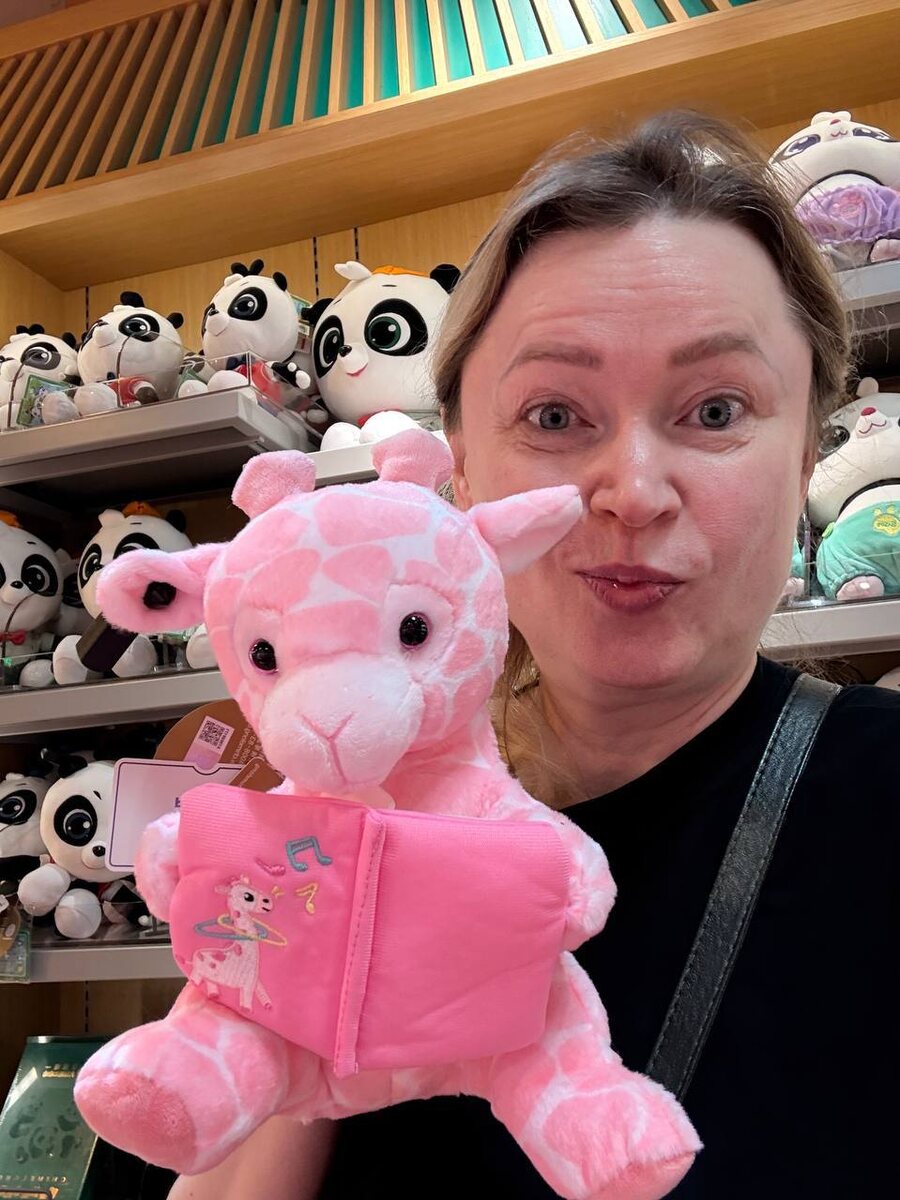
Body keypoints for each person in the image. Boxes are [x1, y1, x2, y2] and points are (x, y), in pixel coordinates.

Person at [170, 111, 897, 1200]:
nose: (633, 492)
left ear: (803, 458)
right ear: (460, 474)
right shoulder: (338, 803)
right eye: (554, 415)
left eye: (716, 409)